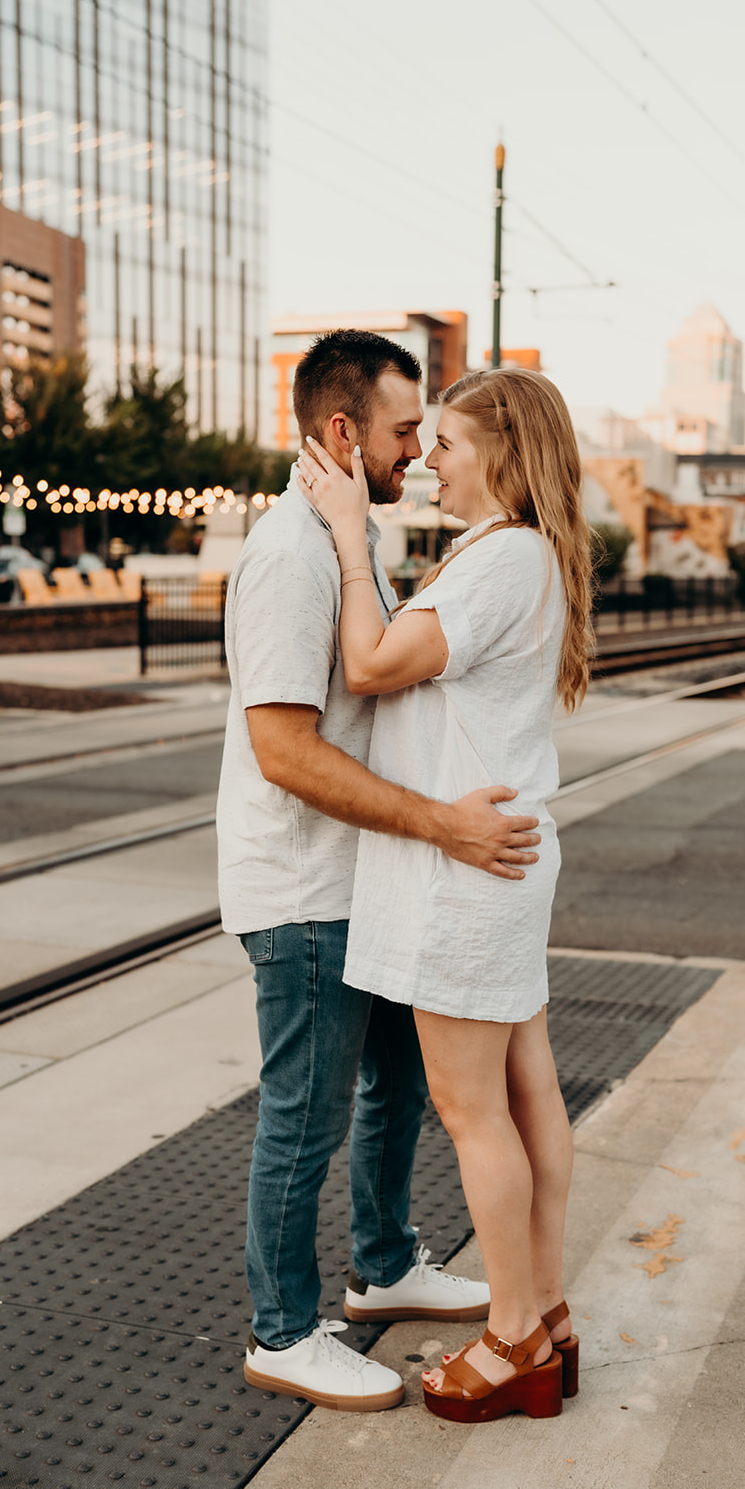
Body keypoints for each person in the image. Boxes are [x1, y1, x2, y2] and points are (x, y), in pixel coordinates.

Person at [217, 330, 544, 1413]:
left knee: (397, 1087)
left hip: (372, 880)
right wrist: (439, 824)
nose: (418, 453)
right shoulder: (292, 556)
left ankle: (385, 1261)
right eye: (408, 431)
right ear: (344, 433)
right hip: (308, 887)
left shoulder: (349, 538)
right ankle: (280, 1330)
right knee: (303, 1114)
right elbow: (285, 750)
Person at [298, 366, 594, 1424]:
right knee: (522, 1093)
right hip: (500, 855)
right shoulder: (519, 554)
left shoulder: (498, 558)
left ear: (503, 453)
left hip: (466, 871)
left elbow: (373, 664)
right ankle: (547, 1311)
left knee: (474, 1112)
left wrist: (346, 535)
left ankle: (512, 1335)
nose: (428, 456)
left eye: (450, 443)